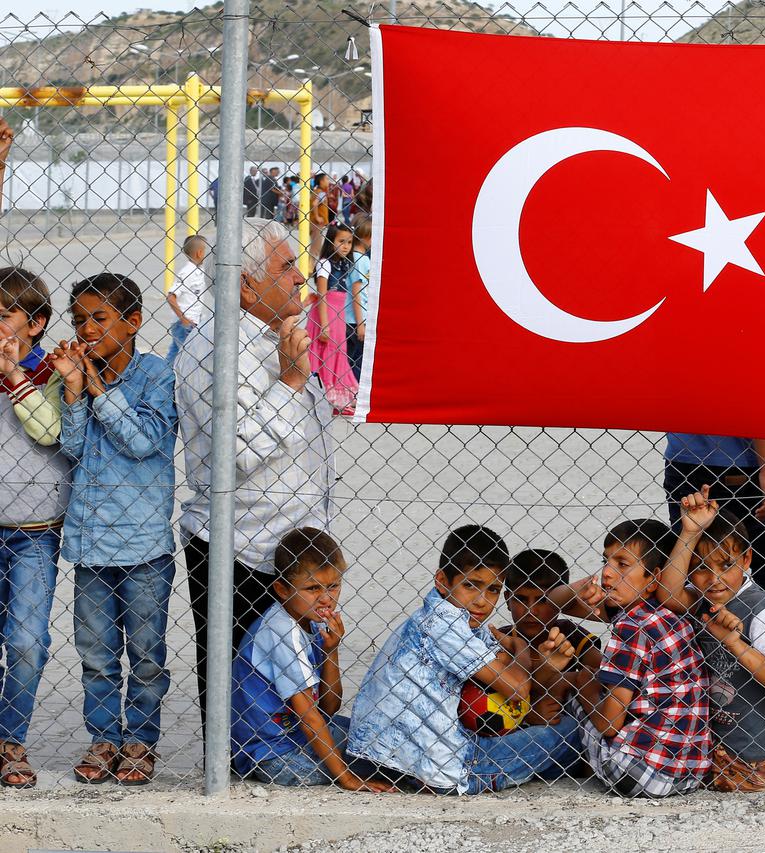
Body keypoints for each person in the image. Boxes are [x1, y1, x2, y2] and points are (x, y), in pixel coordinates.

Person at [175, 218, 334, 732]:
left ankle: (283, 762)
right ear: (245, 283)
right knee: (241, 701)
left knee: (293, 687)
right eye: (286, 267)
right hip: (240, 549)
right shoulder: (212, 351)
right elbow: (236, 456)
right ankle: (233, 772)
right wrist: (289, 383)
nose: (299, 278)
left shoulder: (273, 337)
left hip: (293, 548)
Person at [51, 274, 178, 787]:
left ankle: (141, 740)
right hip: (91, 544)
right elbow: (75, 450)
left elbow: (145, 440)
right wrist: (77, 393)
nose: (86, 328)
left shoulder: (155, 375)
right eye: (79, 319)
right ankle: (104, 737)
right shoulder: (83, 374)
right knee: (97, 654)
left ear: (133, 322)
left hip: (145, 545)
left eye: (99, 318)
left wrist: (100, 389)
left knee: (147, 654)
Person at [347, 525, 581, 794]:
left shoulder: (443, 618)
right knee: (569, 732)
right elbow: (517, 688)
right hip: (445, 769)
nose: (482, 601)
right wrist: (518, 645)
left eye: (493, 589)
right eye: (471, 585)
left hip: (378, 755)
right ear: (442, 580)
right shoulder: (445, 626)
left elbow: (508, 671)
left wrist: (527, 661)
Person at [556, 519, 710, 798]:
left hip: (636, 773)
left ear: (653, 578)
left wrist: (582, 685)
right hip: (689, 773)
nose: (607, 574)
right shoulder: (672, 615)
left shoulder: (630, 627)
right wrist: (592, 586)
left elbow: (609, 724)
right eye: (605, 562)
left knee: (572, 689)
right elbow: (556, 600)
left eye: (622, 565)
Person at [658, 488, 765, 792]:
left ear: (746, 559)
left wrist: (735, 644)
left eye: (726, 565)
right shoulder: (701, 599)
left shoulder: (760, 608)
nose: (714, 579)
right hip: (712, 743)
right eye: (699, 569)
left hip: (754, 755)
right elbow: (668, 594)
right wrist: (689, 531)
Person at [231, 528, 393, 791]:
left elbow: (329, 707)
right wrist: (347, 779)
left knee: (378, 738)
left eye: (333, 586)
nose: (326, 599)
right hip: (276, 756)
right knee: (386, 761)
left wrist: (331, 650)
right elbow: (309, 716)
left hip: (301, 738)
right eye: (312, 588)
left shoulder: (312, 622)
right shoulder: (283, 632)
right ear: (282, 589)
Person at [0, 267, 68, 789]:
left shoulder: (52, 371)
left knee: (26, 640)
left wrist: (15, 375)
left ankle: (11, 740)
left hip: (34, 530)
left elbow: (48, 432)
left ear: (37, 323)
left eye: (4, 316)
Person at [662, 434, 765, 601]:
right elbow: (759, 409)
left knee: (691, 562)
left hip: (684, 457)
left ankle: (701, 622)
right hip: (733, 458)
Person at [494, 548, 600, 728]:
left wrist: (566, 679)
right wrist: (527, 715)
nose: (531, 611)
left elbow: (604, 672)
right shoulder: (500, 640)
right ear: (507, 599)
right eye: (520, 599)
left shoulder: (571, 634)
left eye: (542, 600)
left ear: (560, 601)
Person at [308, 223, 359, 414]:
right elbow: (322, 295)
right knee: (325, 352)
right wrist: (324, 326)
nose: (346, 246)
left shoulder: (345, 264)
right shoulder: (325, 263)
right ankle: (326, 397)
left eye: (349, 242)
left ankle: (340, 396)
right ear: (331, 242)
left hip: (338, 315)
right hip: (325, 314)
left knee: (339, 352)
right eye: (341, 241)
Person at [165, 235, 209, 364]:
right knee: (191, 357)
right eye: (208, 251)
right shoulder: (187, 272)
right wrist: (183, 319)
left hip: (192, 321)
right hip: (184, 323)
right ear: (199, 253)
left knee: (174, 355)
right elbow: (171, 297)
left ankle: (161, 377)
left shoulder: (199, 270)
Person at [346, 217, 372, 381]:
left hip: (354, 318)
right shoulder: (361, 260)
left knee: (353, 359)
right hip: (356, 320)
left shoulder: (354, 258)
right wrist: (361, 324)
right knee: (357, 362)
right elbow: (356, 292)